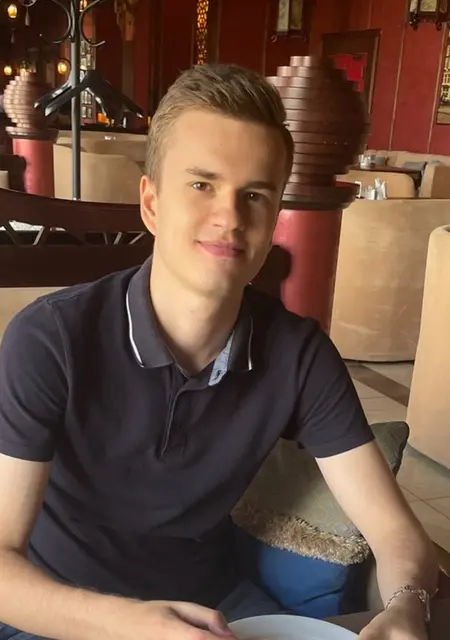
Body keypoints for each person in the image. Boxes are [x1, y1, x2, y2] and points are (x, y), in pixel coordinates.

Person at [0, 63, 438, 640]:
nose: (230, 218)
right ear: (151, 203)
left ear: (274, 217)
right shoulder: (49, 340)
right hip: (60, 615)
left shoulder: (299, 354)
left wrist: (407, 606)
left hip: (217, 608)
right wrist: (127, 624)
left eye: (254, 194)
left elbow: (397, 534)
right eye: (201, 185)